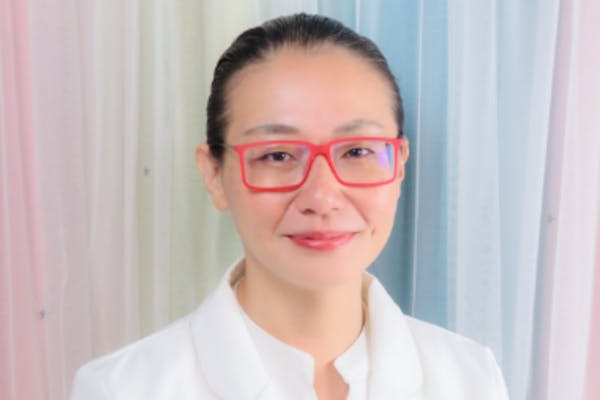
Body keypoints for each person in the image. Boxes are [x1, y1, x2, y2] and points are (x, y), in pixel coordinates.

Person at [71, 13, 509, 400]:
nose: (322, 198)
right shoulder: (121, 390)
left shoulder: (471, 380)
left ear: (399, 167)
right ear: (214, 174)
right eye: (278, 155)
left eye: (357, 151)